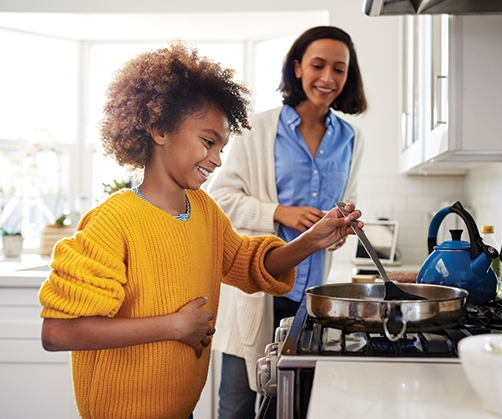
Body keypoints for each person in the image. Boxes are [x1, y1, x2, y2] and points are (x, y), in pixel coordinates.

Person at [37, 41, 362, 419]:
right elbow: (59, 332)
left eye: (221, 146)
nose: (217, 159)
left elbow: (247, 264)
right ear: (159, 129)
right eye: (208, 142)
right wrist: (174, 326)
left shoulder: (204, 211)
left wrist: (312, 240)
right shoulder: (113, 221)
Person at [208, 26, 368, 418]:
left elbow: (346, 203)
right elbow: (219, 198)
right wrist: (278, 213)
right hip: (254, 295)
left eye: (339, 69)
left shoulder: (352, 139)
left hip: (312, 302)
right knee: (237, 409)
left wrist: (339, 229)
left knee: (299, 408)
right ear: (298, 68)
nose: (328, 78)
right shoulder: (255, 129)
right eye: (318, 65)